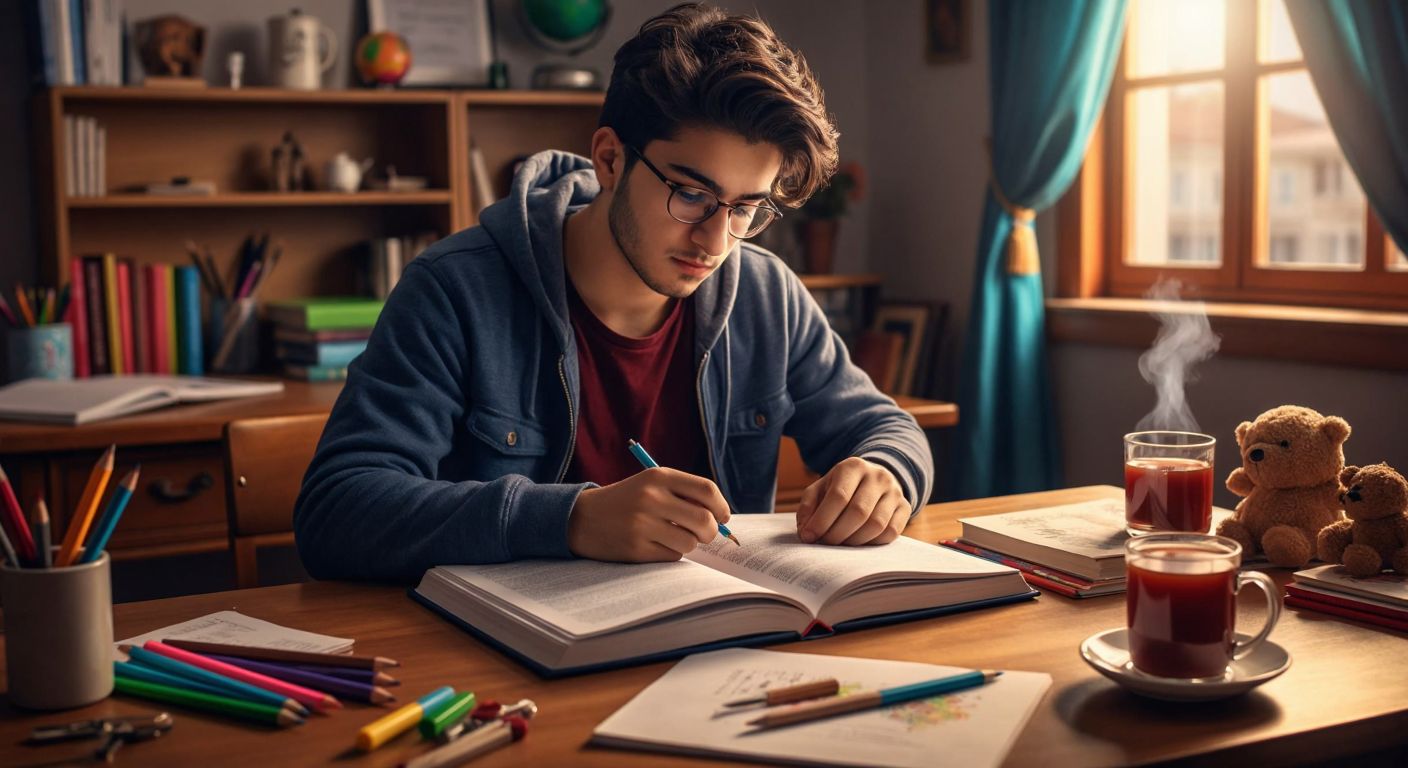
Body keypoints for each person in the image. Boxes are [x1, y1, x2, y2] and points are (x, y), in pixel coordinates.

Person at [295, 3, 933, 582]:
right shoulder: (456, 289)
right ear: (608, 159)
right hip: (515, 666)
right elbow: (337, 509)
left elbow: (886, 428)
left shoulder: (767, 294)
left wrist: (884, 474)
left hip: (720, 648)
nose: (717, 239)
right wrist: (569, 519)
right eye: (690, 194)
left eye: (746, 208)